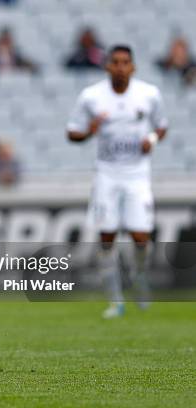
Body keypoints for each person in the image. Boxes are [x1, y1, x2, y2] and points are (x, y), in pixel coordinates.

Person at [66, 45, 168, 318]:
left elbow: (162, 125)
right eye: (116, 62)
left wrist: (153, 140)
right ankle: (115, 300)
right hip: (107, 175)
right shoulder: (91, 97)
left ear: (132, 67)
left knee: (140, 238)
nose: (120, 67)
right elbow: (72, 133)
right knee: (107, 238)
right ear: (107, 66)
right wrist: (90, 131)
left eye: (125, 62)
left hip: (137, 175)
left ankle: (139, 275)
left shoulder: (149, 94)